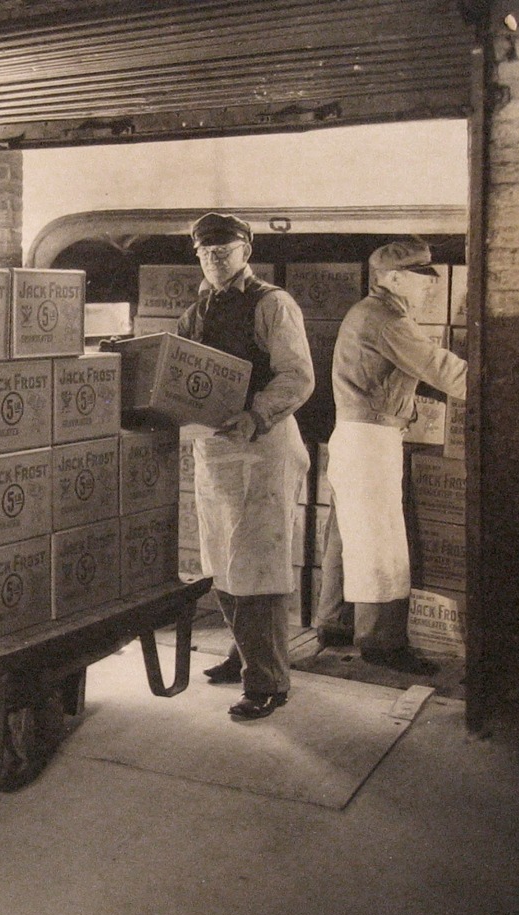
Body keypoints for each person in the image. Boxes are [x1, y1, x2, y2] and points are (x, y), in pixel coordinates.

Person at [178, 212, 314, 720]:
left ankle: (268, 681)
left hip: (262, 445)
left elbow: (298, 377)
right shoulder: (196, 311)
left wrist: (256, 415)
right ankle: (244, 655)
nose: (215, 257)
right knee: (221, 557)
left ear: (246, 252)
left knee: (257, 564)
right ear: (198, 255)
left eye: (226, 249)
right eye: (207, 250)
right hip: (215, 450)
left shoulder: (272, 304)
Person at [315, 239, 467, 674]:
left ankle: (336, 625)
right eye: (423, 280)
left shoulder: (372, 312)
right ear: (394, 278)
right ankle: (382, 645)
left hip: (354, 436)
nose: (429, 289)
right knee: (381, 542)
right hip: (370, 440)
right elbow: (439, 367)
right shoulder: (386, 317)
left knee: (347, 534)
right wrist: (501, 384)